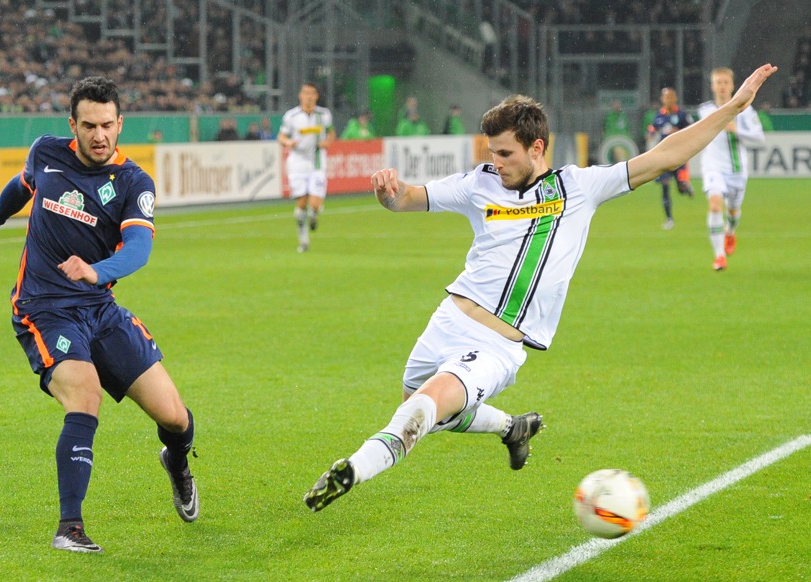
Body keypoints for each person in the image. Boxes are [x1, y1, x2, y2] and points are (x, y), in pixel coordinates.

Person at [303, 64, 778, 512]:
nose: (496, 162)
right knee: (424, 407)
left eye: (506, 153)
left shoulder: (580, 187)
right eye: (491, 152)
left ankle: (353, 470)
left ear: (537, 148)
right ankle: (512, 427)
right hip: (446, 321)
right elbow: (410, 198)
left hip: (497, 345)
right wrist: (390, 194)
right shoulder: (479, 183)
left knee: (425, 410)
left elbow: (665, 155)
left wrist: (733, 107)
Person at [0, 76, 199, 553]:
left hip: (100, 308)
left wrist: (96, 271)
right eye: (89, 125)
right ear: (72, 124)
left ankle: (176, 463)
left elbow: (138, 249)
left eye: (107, 125)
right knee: (85, 394)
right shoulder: (46, 153)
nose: (99, 136)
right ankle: (69, 527)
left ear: (120, 124)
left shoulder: (134, 182)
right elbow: (20, 186)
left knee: (175, 417)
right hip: (44, 308)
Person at [697, 67, 766, 271]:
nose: (722, 86)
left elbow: (759, 138)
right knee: (716, 204)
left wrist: (737, 130)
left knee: (733, 210)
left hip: (737, 170)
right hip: (713, 167)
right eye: (718, 82)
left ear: (733, 85)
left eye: (726, 82)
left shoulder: (745, 109)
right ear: (712, 86)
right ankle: (719, 256)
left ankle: (731, 231)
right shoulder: (704, 110)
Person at [277, 82, 335, 253]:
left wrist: (327, 142)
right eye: (306, 93)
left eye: (312, 93)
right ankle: (303, 241)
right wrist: (288, 142)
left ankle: (314, 215)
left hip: (317, 163)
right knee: (301, 203)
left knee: (315, 204)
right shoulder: (291, 116)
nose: (309, 96)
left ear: (316, 96)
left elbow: (331, 133)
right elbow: (281, 136)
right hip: (297, 163)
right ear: (300, 96)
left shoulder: (324, 115)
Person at [646, 87, 694, 229]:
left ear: (675, 98)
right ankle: (669, 219)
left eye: (671, 97)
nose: (669, 100)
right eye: (666, 97)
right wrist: (650, 133)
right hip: (664, 157)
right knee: (665, 186)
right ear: (662, 99)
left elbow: (692, 130)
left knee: (681, 187)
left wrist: (678, 131)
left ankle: (686, 187)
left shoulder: (682, 115)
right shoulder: (659, 115)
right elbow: (652, 128)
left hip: (679, 157)